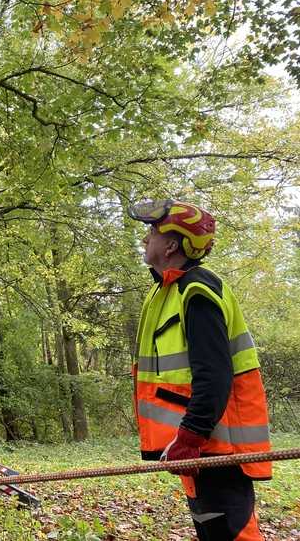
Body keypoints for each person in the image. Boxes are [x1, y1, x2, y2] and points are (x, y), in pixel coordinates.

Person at [129, 199, 271, 541]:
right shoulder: (166, 291)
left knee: (233, 535)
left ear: (171, 245)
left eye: (153, 231)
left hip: (216, 448)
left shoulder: (197, 290)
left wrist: (190, 436)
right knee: (213, 531)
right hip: (198, 447)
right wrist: (186, 442)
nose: (146, 238)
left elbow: (215, 374)